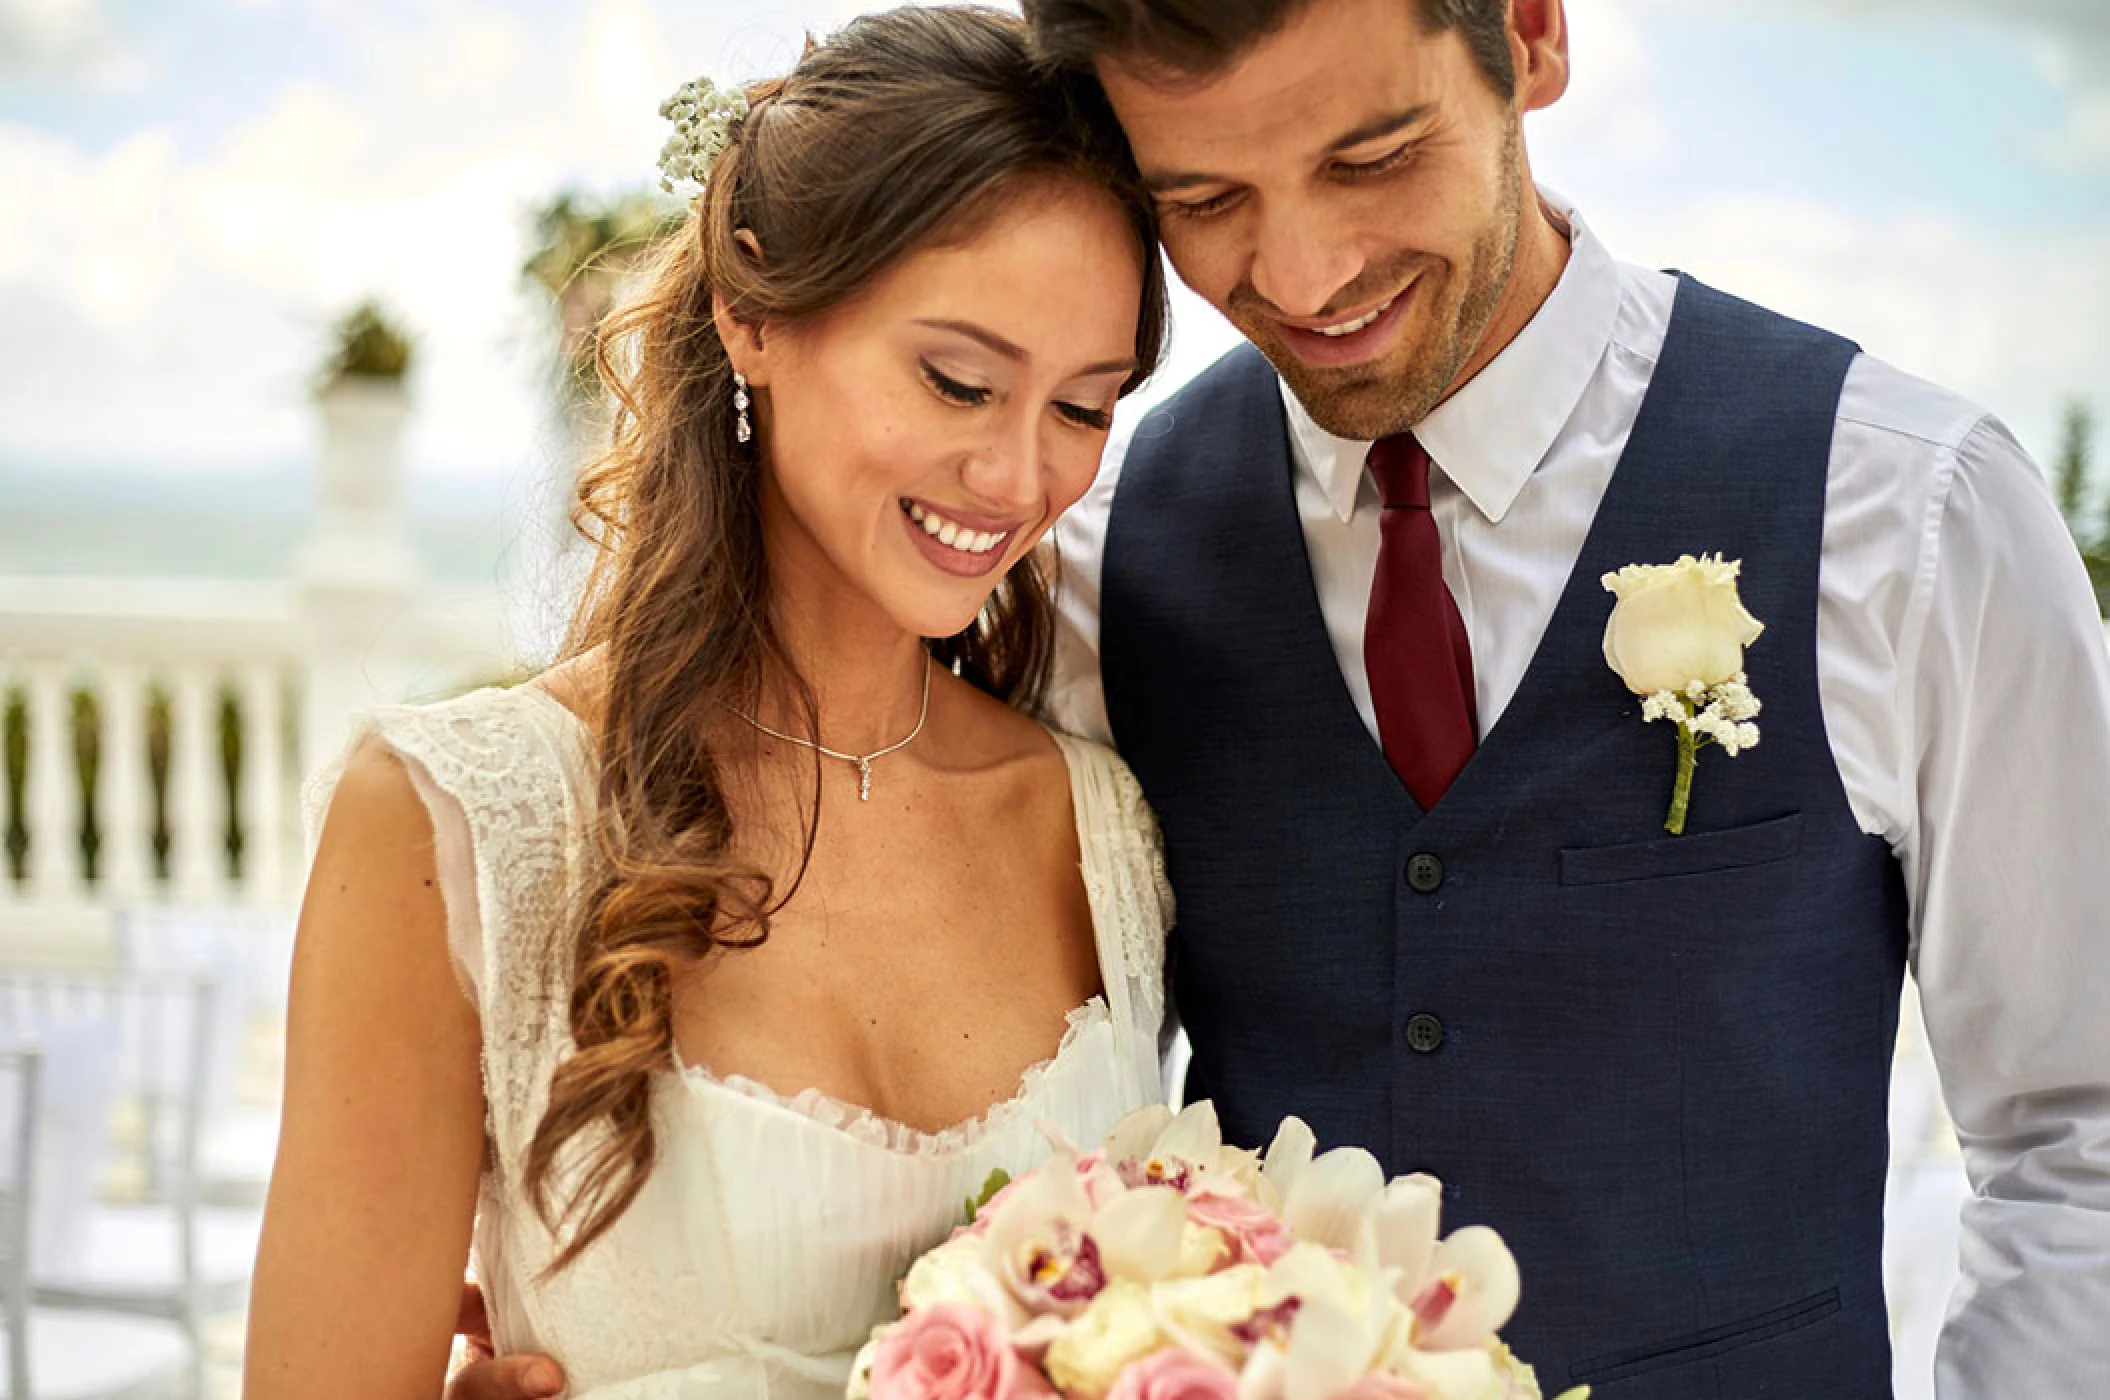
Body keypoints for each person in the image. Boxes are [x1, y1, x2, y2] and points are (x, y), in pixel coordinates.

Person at [450, 1, 2110, 1397]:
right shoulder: (1087, 561)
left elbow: (2077, 1135)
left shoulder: (1909, 512)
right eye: (1201, 198)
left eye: (1370, 157)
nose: (1303, 273)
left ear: (1525, 33)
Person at [243, 8, 1174, 1398]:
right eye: (958, 380)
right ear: (754, 316)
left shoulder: (1094, 824)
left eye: (1086, 408)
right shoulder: (456, 831)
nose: (1017, 476)